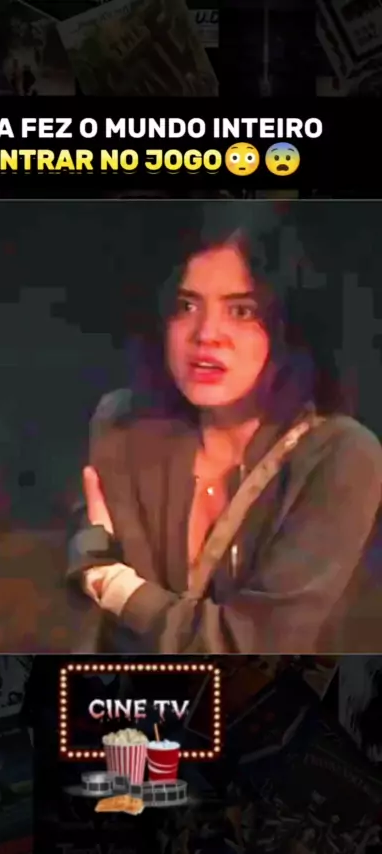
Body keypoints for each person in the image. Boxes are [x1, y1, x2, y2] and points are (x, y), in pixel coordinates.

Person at [67, 207, 382, 654]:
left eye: (242, 310)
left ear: (289, 324)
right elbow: (88, 563)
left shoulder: (342, 456)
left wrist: (111, 582)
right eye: (187, 306)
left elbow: (248, 648)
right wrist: (89, 554)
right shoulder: (123, 425)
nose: (207, 334)